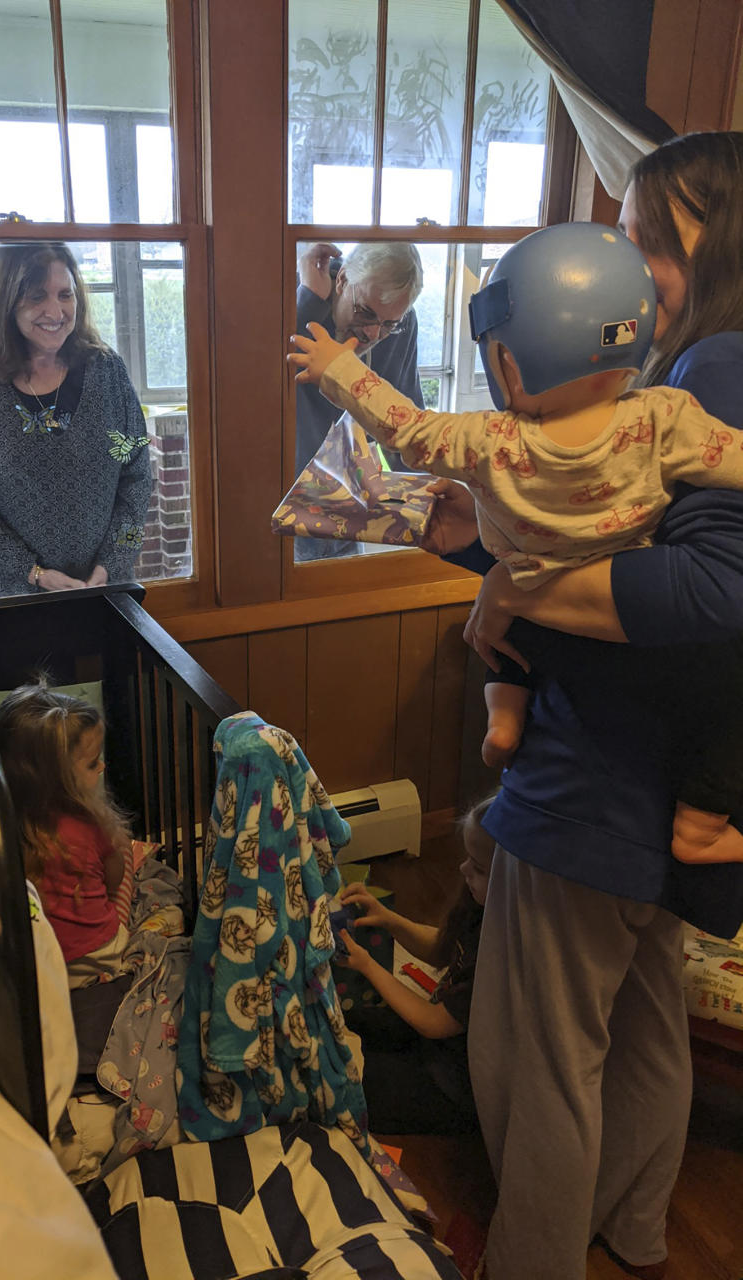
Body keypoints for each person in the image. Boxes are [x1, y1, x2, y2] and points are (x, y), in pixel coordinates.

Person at [383, 131, 743, 1280]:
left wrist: (506, 578)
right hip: (652, 792)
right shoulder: (665, 389)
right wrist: (486, 554)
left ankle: (529, 1258)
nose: (625, 261)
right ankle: (632, 1229)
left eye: (648, 236)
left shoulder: (711, 377)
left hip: (592, 781)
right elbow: (614, 563)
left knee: (539, 1056)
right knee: (642, 1028)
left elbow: (706, 588)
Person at [288, 219, 743, 866]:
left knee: (506, 636)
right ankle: (699, 820)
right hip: (616, 603)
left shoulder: (494, 438)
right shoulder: (664, 414)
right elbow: (730, 458)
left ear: (507, 358)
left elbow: (409, 426)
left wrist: (336, 366)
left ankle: (504, 721)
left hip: (529, 587)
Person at [0, 242, 151, 599]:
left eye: (65, 295)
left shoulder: (107, 370)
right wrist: (33, 573)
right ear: (6, 301)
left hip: (105, 591)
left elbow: (137, 480)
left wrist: (114, 561)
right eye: (37, 296)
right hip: (14, 600)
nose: (56, 311)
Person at [335, 793, 497, 1136]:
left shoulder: (500, 954)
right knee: (346, 1023)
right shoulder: (479, 909)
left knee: (340, 1082)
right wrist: (390, 920)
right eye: (467, 857)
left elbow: (433, 1022)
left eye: (478, 868)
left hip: (451, 1087)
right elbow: (442, 948)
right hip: (436, 1048)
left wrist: (368, 966)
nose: (462, 868)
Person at [0, 681, 132, 989]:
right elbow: (114, 877)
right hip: (98, 955)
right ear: (57, 778)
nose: (103, 766)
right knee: (126, 851)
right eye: (93, 763)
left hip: (38, 963)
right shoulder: (88, 824)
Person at [294, 240, 425, 561]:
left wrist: (422, 509)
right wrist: (308, 304)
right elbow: (258, 380)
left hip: (349, 498)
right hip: (283, 497)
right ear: (342, 281)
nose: (373, 333)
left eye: (389, 324)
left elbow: (402, 410)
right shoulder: (301, 302)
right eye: (365, 312)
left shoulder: (400, 325)